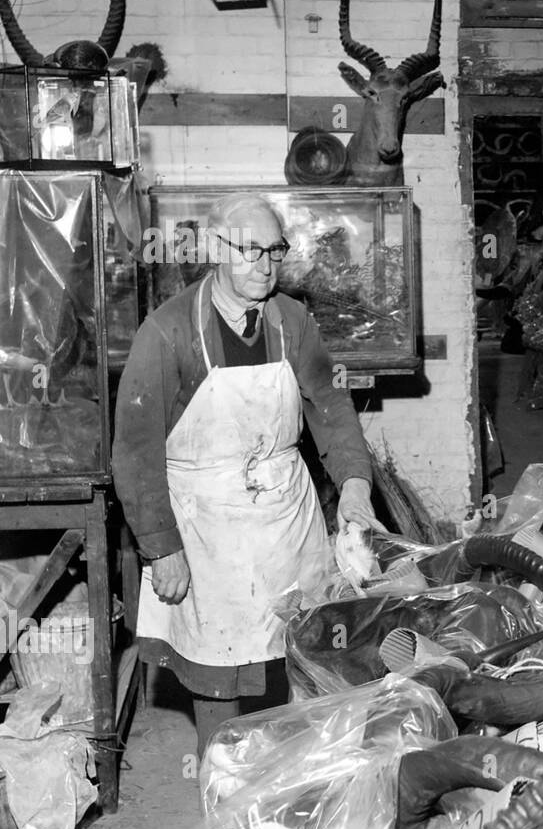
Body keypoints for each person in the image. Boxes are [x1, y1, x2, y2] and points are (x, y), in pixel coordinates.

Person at [113, 195, 380, 755]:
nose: (265, 265)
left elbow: (328, 404)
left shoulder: (293, 321)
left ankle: (301, 781)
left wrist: (355, 486)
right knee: (218, 668)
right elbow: (135, 453)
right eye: (250, 250)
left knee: (307, 649)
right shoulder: (166, 333)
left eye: (275, 251)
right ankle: (224, 791)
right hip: (208, 527)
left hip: (285, 513)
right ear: (215, 248)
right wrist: (161, 547)